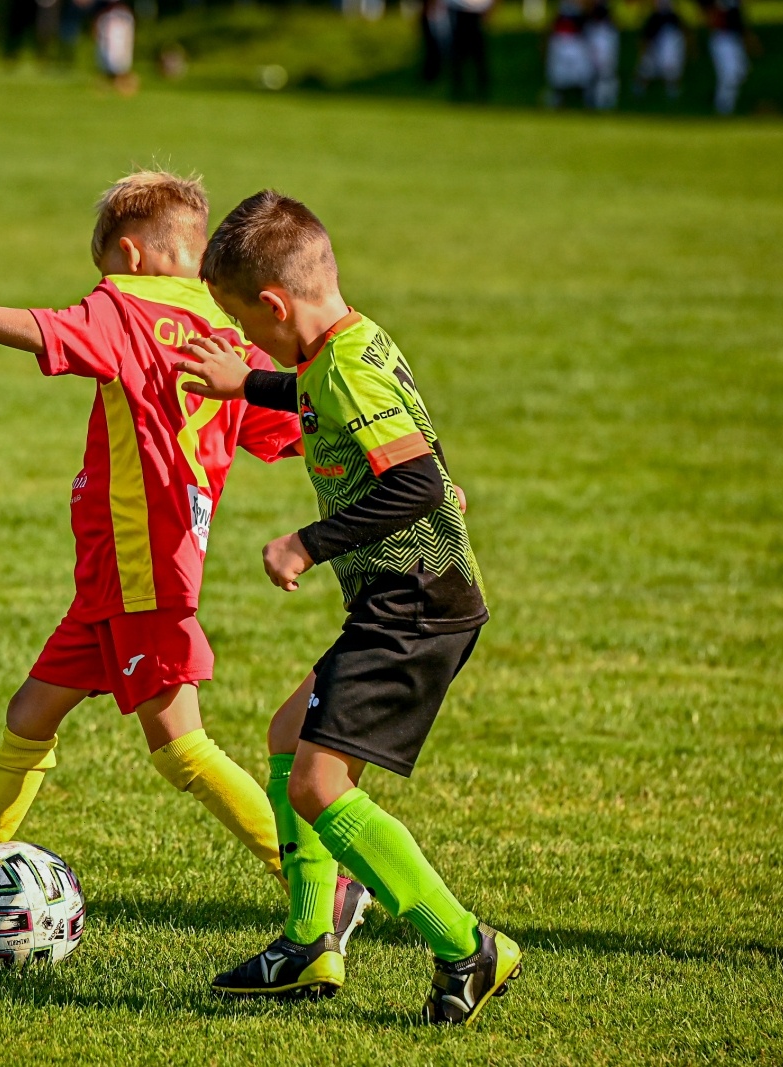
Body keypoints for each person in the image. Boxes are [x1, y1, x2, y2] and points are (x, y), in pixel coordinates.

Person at [0, 172, 373, 947]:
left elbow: (44, 328)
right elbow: (300, 425)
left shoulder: (127, 307)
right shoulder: (226, 333)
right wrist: (411, 470)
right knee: (31, 712)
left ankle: (321, 884)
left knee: (182, 749)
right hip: (116, 574)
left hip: (142, 572)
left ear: (129, 254)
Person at [175, 190, 519, 1023]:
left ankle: (466, 944)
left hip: (414, 603)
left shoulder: (344, 365)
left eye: (250, 327)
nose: (254, 341)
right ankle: (308, 940)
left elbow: (415, 481)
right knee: (288, 738)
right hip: (413, 595)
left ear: (276, 304)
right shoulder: (349, 343)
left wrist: (307, 541)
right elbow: (339, 405)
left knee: (320, 786)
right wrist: (246, 381)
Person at [700, 0, 755, 115]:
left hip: (735, 38)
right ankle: (723, 108)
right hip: (722, 37)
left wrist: (747, 36)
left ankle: (728, 106)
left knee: (741, 72)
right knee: (730, 74)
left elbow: (738, 19)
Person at [544, 0, 592, 109]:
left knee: (582, 73)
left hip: (576, 39)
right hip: (560, 39)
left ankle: (585, 101)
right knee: (558, 73)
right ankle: (557, 100)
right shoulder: (561, 8)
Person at [633, 0, 686, 99]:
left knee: (671, 71)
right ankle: (638, 94)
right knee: (645, 69)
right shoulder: (654, 18)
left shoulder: (673, 18)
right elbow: (645, 37)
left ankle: (673, 95)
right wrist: (644, 49)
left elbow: (682, 37)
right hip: (653, 50)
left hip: (668, 53)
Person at [445, 0, 493, 100]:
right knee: (457, 55)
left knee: (478, 56)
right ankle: (458, 89)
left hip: (477, 11)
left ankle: (482, 90)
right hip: (458, 10)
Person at [584, 0, 620, 108]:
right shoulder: (592, 10)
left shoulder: (606, 9)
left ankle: (606, 100)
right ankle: (593, 99)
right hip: (595, 33)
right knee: (592, 71)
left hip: (605, 34)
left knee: (606, 71)